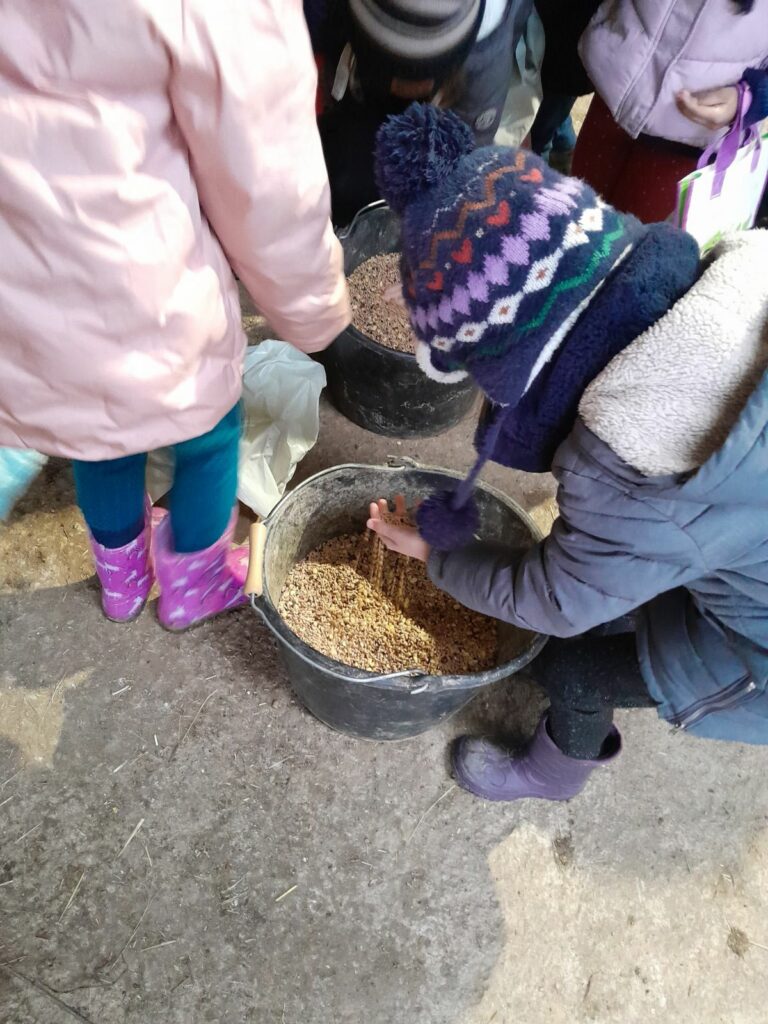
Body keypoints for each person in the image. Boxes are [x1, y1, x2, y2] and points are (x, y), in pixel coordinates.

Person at [368, 103, 768, 803]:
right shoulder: (739, 279)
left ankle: (552, 775)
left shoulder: (628, 474)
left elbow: (555, 600)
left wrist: (437, 558)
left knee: (574, 665)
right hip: (739, 525)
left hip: (758, 648)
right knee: (639, 586)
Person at [0, 0, 349, 630]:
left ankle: (124, 585)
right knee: (211, 432)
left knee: (96, 437)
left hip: (23, 284)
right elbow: (265, 173)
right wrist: (312, 308)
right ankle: (194, 583)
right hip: (147, 281)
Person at [306, 0, 533, 225]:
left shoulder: (485, 66)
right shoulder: (341, 18)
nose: (397, 86)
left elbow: (469, 156)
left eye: (414, 80)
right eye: (389, 74)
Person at [572, 0, 768, 223]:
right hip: (616, 86)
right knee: (573, 219)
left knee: (631, 247)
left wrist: (755, 96)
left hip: (693, 136)